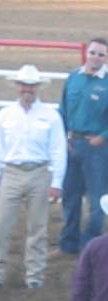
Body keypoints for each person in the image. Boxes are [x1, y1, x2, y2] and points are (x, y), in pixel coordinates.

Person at [0, 64, 67, 289]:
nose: (27, 89)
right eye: (24, 85)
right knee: (0, 224)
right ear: (18, 87)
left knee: (37, 227)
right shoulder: (5, 115)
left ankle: (35, 275)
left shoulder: (51, 116)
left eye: (31, 86)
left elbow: (58, 150)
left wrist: (56, 182)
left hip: (39, 172)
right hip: (11, 172)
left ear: (37, 88)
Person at [58, 38, 108, 256]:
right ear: (86, 53)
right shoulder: (73, 77)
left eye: (101, 54)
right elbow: (63, 109)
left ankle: (89, 244)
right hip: (72, 143)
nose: (96, 57)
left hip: (96, 147)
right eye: (94, 52)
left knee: (97, 199)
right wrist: (63, 138)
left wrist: (103, 137)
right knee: (70, 196)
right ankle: (69, 242)